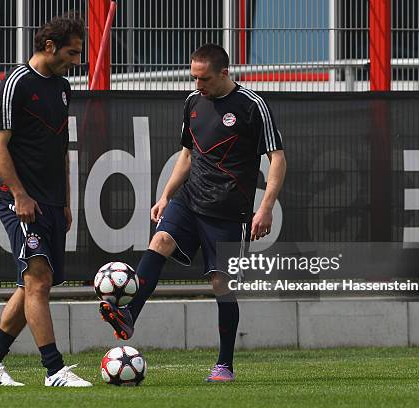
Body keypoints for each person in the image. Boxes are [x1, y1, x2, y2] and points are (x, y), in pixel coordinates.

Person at [99, 43, 286, 383]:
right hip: (190, 200)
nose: (198, 84)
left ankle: (224, 364)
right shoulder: (192, 102)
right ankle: (129, 313)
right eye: (194, 77)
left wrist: (266, 207)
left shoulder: (251, 106)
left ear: (225, 73)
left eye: (205, 78)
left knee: (221, 285)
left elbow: (278, 159)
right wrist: (167, 195)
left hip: (229, 213)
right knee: (161, 240)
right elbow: (186, 155)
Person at [0, 14, 91, 387]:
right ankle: (54, 370)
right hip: (21, 202)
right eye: (72, 53)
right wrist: (21, 195)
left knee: (32, 286)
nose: (77, 61)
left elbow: (61, 148)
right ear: (48, 46)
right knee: (38, 282)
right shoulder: (16, 84)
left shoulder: (62, 87)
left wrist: (67, 201)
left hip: (52, 202)